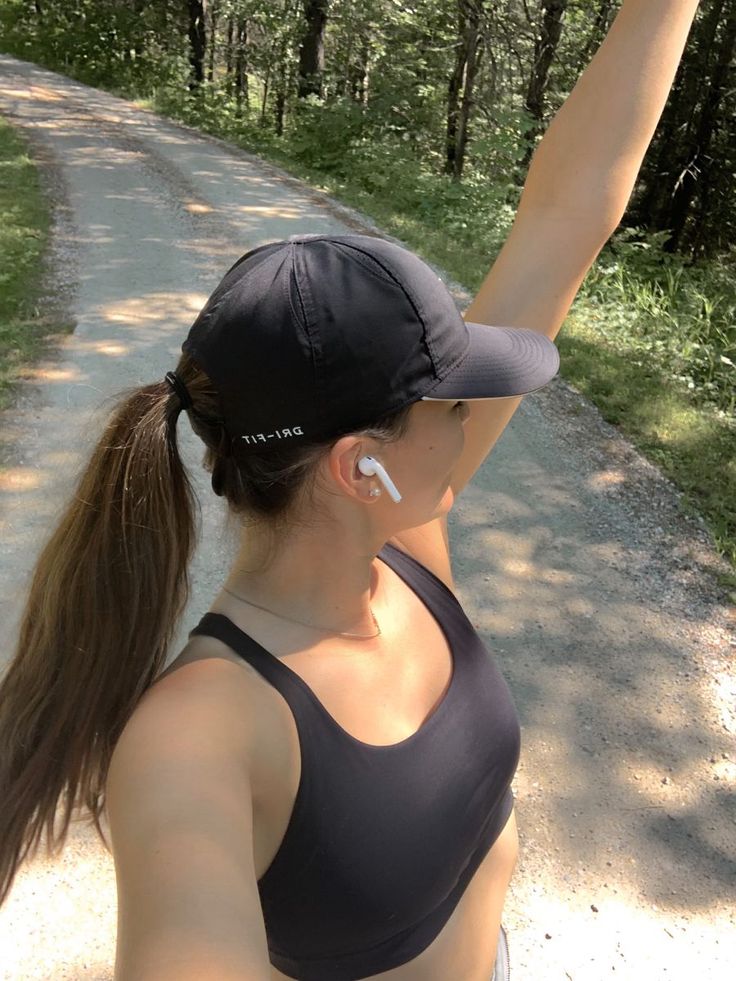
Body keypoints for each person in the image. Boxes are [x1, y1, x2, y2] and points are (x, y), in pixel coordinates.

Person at [0, 1, 700, 979]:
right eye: (451, 402)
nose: (474, 421)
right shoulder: (196, 742)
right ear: (357, 465)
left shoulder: (405, 550)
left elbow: (567, 216)